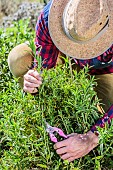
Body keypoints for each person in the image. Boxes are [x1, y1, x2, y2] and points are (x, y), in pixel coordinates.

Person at [8, 0, 113, 162]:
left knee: (98, 115)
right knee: (19, 59)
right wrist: (35, 80)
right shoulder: (50, 17)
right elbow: (45, 69)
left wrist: (91, 138)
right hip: (64, 59)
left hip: (104, 71)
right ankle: (37, 101)